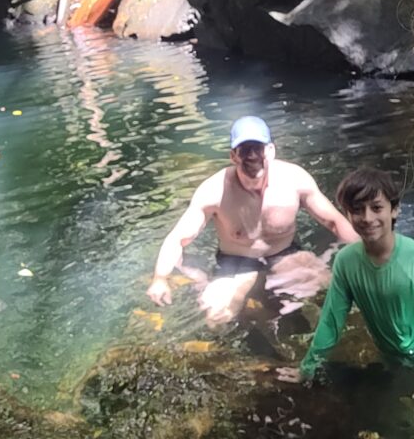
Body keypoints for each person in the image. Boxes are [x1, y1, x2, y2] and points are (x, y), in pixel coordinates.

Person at [278, 169, 414, 431]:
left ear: (395, 210)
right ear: (347, 214)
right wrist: (307, 367)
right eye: (357, 209)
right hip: (396, 361)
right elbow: (332, 321)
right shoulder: (346, 262)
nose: (367, 218)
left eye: (377, 207)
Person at [146, 116, 360, 323]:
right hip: (236, 262)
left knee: (332, 295)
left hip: (284, 254)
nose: (252, 156)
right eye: (245, 149)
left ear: (271, 151)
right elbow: (177, 239)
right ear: (233, 156)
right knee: (217, 318)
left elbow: (333, 221)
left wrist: (366, 255)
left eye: (258, 148)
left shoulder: (294, 180)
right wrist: (160, 279)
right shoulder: (214, 191)